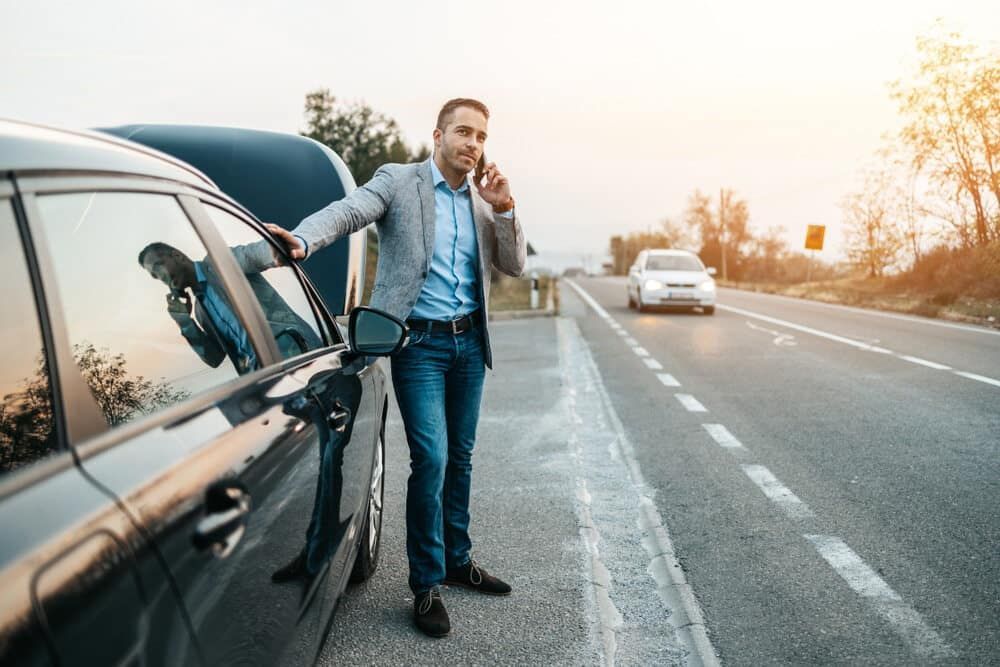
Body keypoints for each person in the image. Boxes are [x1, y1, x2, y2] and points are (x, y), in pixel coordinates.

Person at [265, 98, 526, 637]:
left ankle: (459, 561)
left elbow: (514, 265)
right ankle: (426, 583)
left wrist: (505, 209)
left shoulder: (481, 201)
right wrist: (303, 239)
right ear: (437, 135)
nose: (472, 144)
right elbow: (349, 211)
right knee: (430, 458)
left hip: (468, 346)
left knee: (461, 457)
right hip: (418, 348)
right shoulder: (399, 181)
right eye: (462, 132)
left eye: (480, 136)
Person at [139, 242, 321, 372]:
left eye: (158, 266)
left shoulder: (220, 262)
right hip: (269, 382)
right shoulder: (200, 312)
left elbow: (258, 254)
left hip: (303, 359)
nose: (160, 277)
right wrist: (186, 323)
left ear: (177, 256)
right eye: (154, 275)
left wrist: (285, 246)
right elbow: (214, 359)